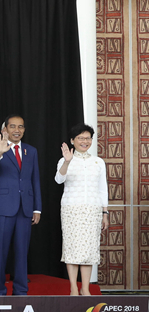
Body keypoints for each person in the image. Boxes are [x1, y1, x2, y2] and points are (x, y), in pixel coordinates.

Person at [0, 114, 42, 296]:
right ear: (5, 129)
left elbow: (35, 180)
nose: (17, 130)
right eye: (13, 126)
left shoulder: (31, 151)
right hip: (3, 208)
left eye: (20, 127)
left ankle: (21, 291)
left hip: (25, 208)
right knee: (0, 251)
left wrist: (37, 208)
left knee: (22, 251)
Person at [55, 124, 109, 296]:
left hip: (93, 210)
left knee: (89, 249)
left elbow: (103, 189)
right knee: (72, 248)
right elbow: (58, 179)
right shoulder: (65, 160)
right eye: (81, 138)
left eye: (88, 138)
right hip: (72, 209)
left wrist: (105, 213)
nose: (85, 141)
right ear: (73, 140)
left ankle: (85, 288)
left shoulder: (98, 162)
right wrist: (67, 161)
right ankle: (73, 287)